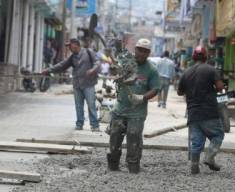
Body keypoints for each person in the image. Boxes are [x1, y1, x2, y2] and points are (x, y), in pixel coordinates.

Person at [107, 38, 160, 174]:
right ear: (135, 50)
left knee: (133, 137)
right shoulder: (126, 62)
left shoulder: (151, 70)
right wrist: (114, 70)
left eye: (145, 51)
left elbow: (155, 89)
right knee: (115, 138)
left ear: (148, 53)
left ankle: (133, 167)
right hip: (120, 109)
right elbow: (114, 71)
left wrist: (142, 97)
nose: (141, 53)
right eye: (139, 50)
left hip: (137, 112)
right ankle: (113, 166)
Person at [177, 46, 224, 174]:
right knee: (218, 134)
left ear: (193, 57)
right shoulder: (211, 70)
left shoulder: (186, 73)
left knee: (196, 142)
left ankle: (194, 166)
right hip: (209, 111)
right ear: (206, 57)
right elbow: (220, 87)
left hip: (193, 113)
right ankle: (209, 157)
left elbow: (179, 92)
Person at [42, 38, 101, 131]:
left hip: (88, 84)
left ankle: (94, 125)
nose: (69, 48)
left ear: (76, 45)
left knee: (91, 104)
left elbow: (97, 62)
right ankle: (79, 123)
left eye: (70, 45)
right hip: (77, 84)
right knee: (78, 105)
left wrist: (92, 70)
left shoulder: (88, 52)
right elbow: (61, 65)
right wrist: (48, 70)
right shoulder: (72, 57)